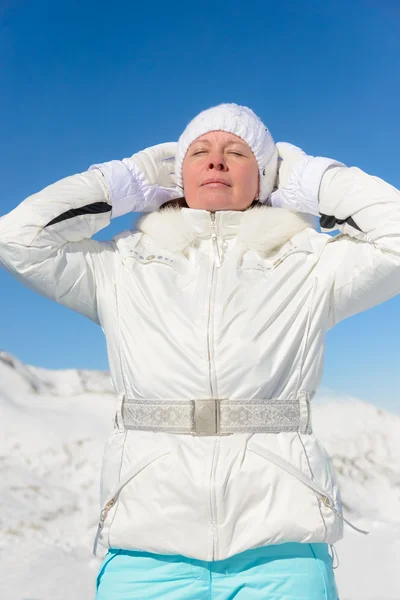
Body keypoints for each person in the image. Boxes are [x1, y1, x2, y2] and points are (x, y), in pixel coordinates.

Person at [1, 103, 399, 599]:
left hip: (282, 551)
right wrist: (123, 179)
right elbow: (19, 240)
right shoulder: (121, 266)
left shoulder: (310, 265)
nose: (216, 161)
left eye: (237, 152)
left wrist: (314, 179)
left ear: (267, 179)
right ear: (173, 175)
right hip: (146, 552)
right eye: (198, 152)